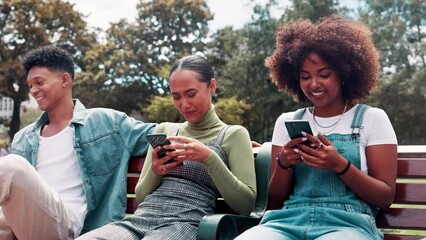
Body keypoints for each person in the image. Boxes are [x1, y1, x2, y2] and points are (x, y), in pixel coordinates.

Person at [236, 15, 398, 240]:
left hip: (348, 224)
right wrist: (284, 163)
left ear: (343, 73)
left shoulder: (372, 119)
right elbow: (276, 200)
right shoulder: (286, 121)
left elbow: (385, 198)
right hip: (287, 221)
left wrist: (339, 165)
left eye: (324, 74)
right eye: (305, 77)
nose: (314, 84)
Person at [77, 54, 257, 240]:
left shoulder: (234, 134)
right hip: (140, 220)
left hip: (185, 223)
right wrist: (156, 170)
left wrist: (209, 158)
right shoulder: (165, 130)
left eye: (191, 94)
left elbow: (245, 206)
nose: (184, 104)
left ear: (212, 86)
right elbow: (141, 196)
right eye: (176, 97)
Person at [0, 45, 156, 240]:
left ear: (65, 79)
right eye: (30, 85)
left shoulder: (106, 122)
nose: (33, 90)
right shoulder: (24, 138)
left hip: (68, 228)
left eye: (39, 82)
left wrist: (201, 143)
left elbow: (159, 133)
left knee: (11, 166)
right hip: (27, 225)